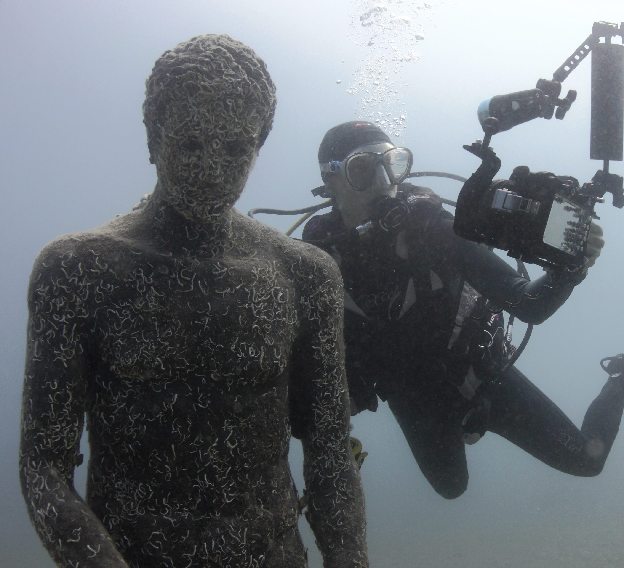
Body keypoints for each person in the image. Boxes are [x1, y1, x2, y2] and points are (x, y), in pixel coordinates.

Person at [19, 36, 368, 567]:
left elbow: (329, 450)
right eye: (190, 144)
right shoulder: (78, 271)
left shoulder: (305, 274)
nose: (211, 170)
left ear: (260, 145)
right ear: (153, 137)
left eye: (235, 149)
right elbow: (43, 467)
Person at [302, 120, 624, 499]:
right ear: (330, 179)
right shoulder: (316, 260)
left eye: (393, 165)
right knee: (451, 488)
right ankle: (463, 424)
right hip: (414, 397)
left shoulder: (436, 229)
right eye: (365, 170)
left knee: (587, 459)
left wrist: (571, 268)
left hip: (481, 375)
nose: (385, 184)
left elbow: (529, 305)